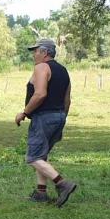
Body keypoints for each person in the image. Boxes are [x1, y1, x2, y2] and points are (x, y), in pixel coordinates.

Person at [14, 38, 76, 206]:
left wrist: (24, 112)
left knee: (33, 157)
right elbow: (67, 100)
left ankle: (62, 184)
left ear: (45, 52)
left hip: (43, 117)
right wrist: (61, 118)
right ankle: (41, 193)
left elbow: (40, 94)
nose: (34, 54)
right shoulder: (63, 71)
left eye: (36, 51)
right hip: (60, 116)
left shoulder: (42, 67)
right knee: (42, 155)